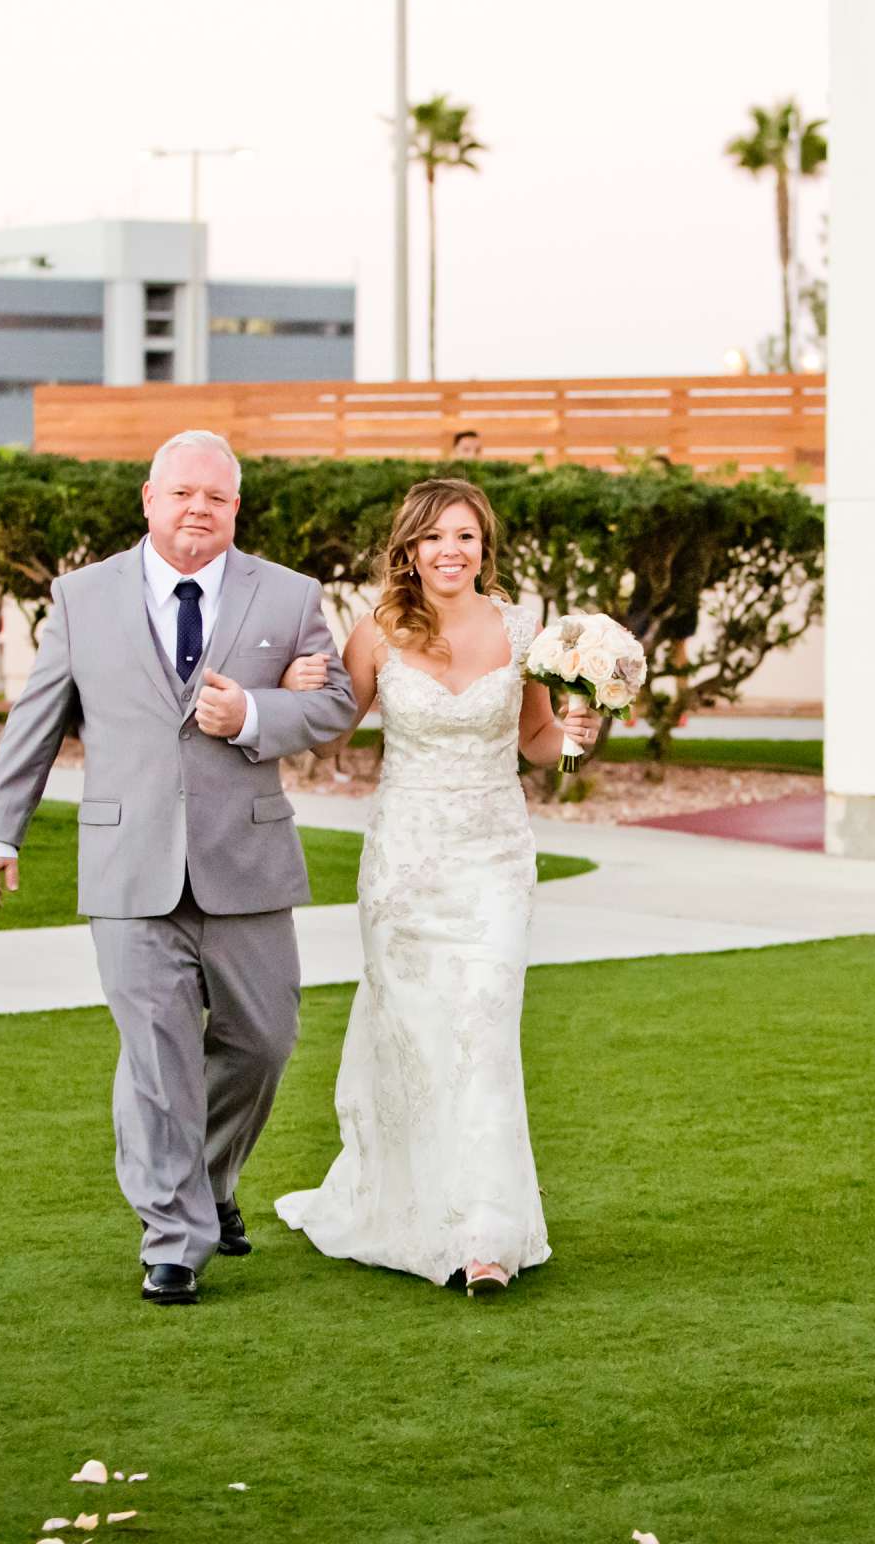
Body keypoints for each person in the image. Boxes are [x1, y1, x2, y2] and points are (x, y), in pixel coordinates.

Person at [0, 429, 356, 1305]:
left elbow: (334, 702)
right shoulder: (81, 596)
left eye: (216, 498)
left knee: (263, 1041)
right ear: (149, 498)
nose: (198, 510)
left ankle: (210, 1187)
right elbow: (37, 718)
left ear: (236, 511)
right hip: (128, 860)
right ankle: (173, 1239)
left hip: (246, 859)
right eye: (182, 494)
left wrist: (255, 714)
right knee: (157, 1053)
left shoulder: (289, 596)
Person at [270, 478, 601, 1295]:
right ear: (409, 549)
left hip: (493, 857)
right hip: (405, 862)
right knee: (415, 1037)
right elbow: (329, 738)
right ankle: (410, 1209)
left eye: (466, 536)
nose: (450, 552)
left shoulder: (522, 629)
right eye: (434, 538)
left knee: (484, 1032)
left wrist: (578, 738)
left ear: (484, 547)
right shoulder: (377, 631)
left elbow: (538, 742)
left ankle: (484, 1233)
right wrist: (298, 689)